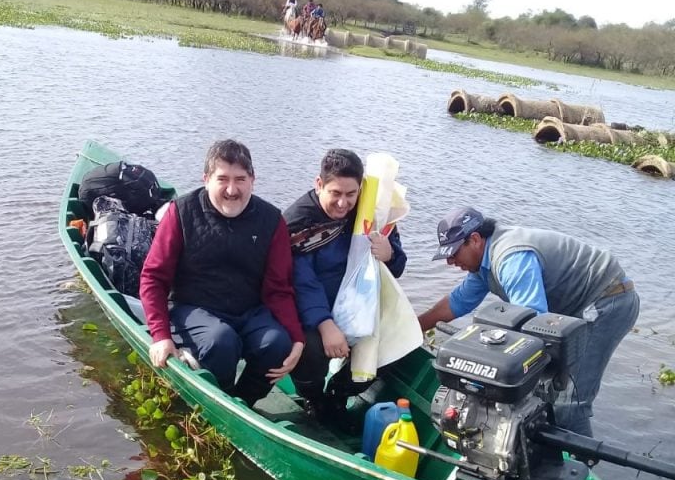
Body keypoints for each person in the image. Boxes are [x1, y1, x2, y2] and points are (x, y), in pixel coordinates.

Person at [417, 206, 640, 436]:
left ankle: (581, 465)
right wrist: (416, 326)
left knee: (569, 400)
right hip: (576, 309)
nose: (450, 262)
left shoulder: (510, 258)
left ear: (474, 239)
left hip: (607, 301)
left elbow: (533, 325)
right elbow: (457, 302)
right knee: (544, 390)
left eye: (453, 253)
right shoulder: (482, 265)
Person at [139, 139, 305, 407]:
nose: (232, 189)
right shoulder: (181, 213)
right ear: (206, 179)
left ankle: (243, 401)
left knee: (277, 343)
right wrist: (160, 336)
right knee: (221, 341)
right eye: (222, 179)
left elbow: (279, 288)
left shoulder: (271, 220)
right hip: (192, 307)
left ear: (253, 179)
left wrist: (296, 338)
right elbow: (153, 278)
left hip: (248, 310)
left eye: (240, 179)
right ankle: (217, 397)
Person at [284, 148, 407, 424]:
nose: (343, 203)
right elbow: (301, 281)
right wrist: (326, 324)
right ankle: (313, 397)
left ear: (361, 189)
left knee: (394, 347)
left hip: (360, 306)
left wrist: (390, 254)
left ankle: (340, 392)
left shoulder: (370, 213)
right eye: (335, 193)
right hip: (313, 311)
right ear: (319, 185)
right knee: (311, 349)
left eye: (351, 195)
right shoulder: (298, 221)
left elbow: (396, 270)